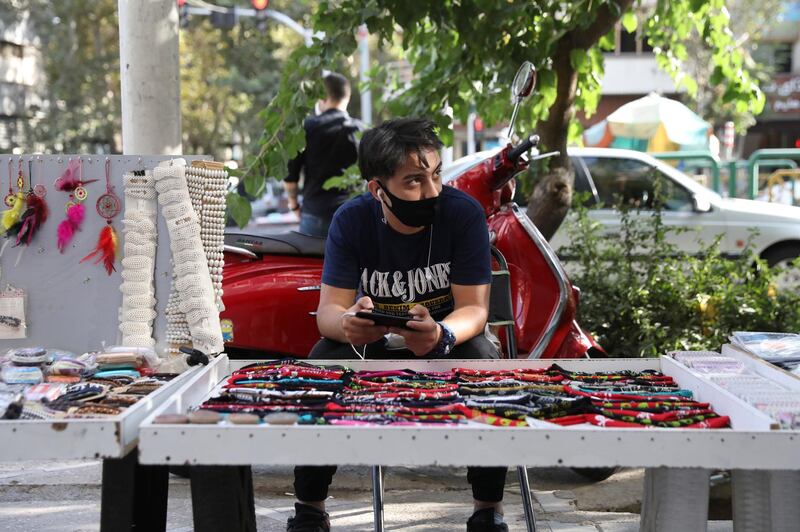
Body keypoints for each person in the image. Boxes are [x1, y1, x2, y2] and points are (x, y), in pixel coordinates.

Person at [287, 118, 509, 532]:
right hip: (369, 342)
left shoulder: (463, 214)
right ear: (378, 190)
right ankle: (310, 508)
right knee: (322, 366)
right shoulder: (351, 221)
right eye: (413, 181)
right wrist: (349, 324)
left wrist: (441, 335)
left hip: (449, 338)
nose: (431, 192)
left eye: (437, 174)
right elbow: (328, 312)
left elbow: (475, 311)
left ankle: (487, 509)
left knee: (483, 364)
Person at [285, 72, 363, 237]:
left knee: (312, 263)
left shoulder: (307, 128)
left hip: (315, 214)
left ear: (322, 97)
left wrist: (294, 205)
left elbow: (290, 176)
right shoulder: (362, 131)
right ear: (347, 97)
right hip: (353, 215)